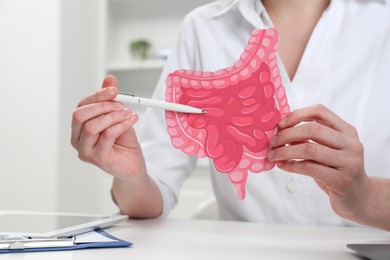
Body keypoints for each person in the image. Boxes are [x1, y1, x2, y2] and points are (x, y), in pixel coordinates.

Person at [71, 0, 390, 231]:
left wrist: (365, 197)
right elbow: (150, 200)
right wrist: (131, 174)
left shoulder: (382, 24)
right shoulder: (202, 27)